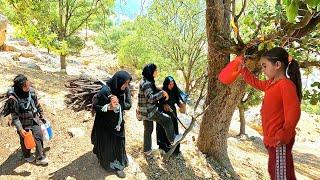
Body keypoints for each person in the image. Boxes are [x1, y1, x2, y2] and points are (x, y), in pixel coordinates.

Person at [239, 47, 301, 180]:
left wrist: (283, 135)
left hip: (279, 141)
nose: (263, 69)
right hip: (272, 140)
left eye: (265, 66)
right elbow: (255, 82)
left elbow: (293, 113)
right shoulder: (271, 84)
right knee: (277, 171)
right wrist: (243, 69)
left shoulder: (286, 85)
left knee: (280, 175)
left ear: (277, 65)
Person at [91, 71, 132, 178]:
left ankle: (119, 165)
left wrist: (118, 104)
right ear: (119, 82)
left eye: (128, 83)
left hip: (118, 123)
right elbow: (96, 106)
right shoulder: (105, 91)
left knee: (119, 142)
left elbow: (129, 105)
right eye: (125, 83)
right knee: (107, 144)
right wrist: (109, 107)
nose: (127, 86)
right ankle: (107, 164)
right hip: (104, 124)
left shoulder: (125, 90)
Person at [137, 64, 183, 156]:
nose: (157, 72)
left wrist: (161, 90)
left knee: (148, 129)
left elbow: (152, 90)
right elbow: (150, 98)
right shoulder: (147, 83)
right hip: (149, 111)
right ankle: (172, 139)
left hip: (143, 110)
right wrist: (162, 93)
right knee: (167, 120)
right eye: (155, 70)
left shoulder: (145, 80)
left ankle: (147, 150)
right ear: (151, 72)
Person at [8, 74, 49, 165]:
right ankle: (27, 155)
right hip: (22, 122)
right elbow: (14, 116)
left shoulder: (32, 92)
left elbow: (37, 104)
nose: (28, 87)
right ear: (20, 87)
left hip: (34, 118)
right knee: (25, 140)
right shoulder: (13, 98)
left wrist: (42, 115)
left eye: (28, 85)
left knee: (38, 136)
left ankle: (40, 157)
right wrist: (20, 129)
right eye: (26, 86)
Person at [156, 76, 185, 155]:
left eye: (172, 84)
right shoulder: (162, 91)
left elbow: (178, 100)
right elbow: (157, 102)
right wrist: (164, 104)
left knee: (173, 129)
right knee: (163, 130)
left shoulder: (175, 90)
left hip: (172, 113)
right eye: (169, 84)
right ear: (166, 84)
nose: (171, 86)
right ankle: (163, 148)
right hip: (163, 113)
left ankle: (174, 149)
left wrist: (181, 105)